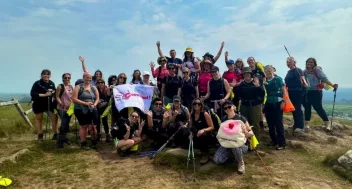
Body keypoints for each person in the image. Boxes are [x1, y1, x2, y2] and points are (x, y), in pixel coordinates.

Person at [213, 100, 253, 174]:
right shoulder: (223, 119)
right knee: (217, 160)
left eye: (229, 107)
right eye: (225, 108)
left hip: (240, 144)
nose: (228, 109)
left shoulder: (241, 118)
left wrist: (246, 132)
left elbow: (251, 133)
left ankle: (240, 163)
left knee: (235, 146)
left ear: (234, 107)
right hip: (227, 143)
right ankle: (232, 156)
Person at [303, 57, 338, 131]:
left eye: (311, 62)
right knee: (307, 107)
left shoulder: (317, 70)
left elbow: (324, 79)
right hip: (307, 91)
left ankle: (327, 124)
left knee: (318, 108)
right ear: (306, 63)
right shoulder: (304, 71)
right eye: (308, 62)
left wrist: (332, 85)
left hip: (316, 91)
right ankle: (307, 125)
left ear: (314, 63)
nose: (309, 63)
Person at [72, 72, 100, 150]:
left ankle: (94, 142)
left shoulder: (93, 88)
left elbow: (97, 98)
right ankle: (83, 143)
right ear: (83, 77)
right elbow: (74, 99)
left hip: (92, 108)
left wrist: (94, 104)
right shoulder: (78, 87)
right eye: (87, 77)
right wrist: (85, 103)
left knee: (93, 126)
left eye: (90, 78)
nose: (89, 79)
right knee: (83, 126)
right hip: (80, 109)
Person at [236, 67, 265, 138]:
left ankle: (255, 142)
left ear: (251, 74)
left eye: (248, 73)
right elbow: (237, 95)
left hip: (255, 106)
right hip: (244, 106)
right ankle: (247, 142)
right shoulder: (241, 84)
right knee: (245, 124)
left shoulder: (256, 82)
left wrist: (258, 86)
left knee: (255, 124)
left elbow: (262, 94)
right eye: (245, 74)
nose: (246, 75)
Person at [30, 69, 58, 141]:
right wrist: (45, 95)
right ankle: (40, 135)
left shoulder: (52, 83)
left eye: (48, 74)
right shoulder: (37, 83)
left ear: (50, 75)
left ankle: (56, 134)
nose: (46, 75)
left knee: (54, 118)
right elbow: (33, 94)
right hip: (38, 103)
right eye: (44, 74)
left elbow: (54, 92)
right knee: (39, 119)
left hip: (49, 104)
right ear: (41, 75)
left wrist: (53, 92)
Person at [263, 66, 286, 150]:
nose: (268, 72)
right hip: (267, 103)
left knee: (278, 123)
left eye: (269, 70)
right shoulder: (264, 81)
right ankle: (274, 140)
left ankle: (282, 143)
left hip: (277, 102)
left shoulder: (278, 79)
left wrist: (283, 101)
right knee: (270, 123)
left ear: (273, 70)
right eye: (266, 71)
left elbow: (284, 90)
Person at [285, 57, 308, 135]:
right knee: (293, 109)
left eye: (290, 62)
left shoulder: (298, 70)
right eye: (287, 62)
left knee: (298, 109)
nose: (288, 63)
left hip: (298, 92)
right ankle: (296, 125)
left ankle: (300, 127)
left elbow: (303, 79)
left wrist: (304, 83)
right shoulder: (289, 72)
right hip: (290, 92)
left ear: (294, 62)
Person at [190, 98, 215, 165]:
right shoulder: (192, 115)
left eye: (199, 104)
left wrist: (203, 130)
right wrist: (190, 134)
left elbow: (212, 127)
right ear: (193, 105)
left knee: (202, 135)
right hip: (197, 133)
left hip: (206, 133)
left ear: (201, 105)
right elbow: (191, 126)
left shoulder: (205, 114)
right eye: (195, 104)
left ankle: (205, 154)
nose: (197, 105)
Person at [56, 73, 73, 148]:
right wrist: (61, 103)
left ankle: (65, 138)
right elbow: (57, 97)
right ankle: (60, 141)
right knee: (64, 123)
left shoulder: (71, 87)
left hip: (70, 108)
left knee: (67, 123)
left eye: (68, 78)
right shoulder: (60, 86)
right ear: (62, 78)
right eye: (65, 78)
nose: (67, 79)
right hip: (62, 108)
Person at [96, 78, 111, 142]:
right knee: (97, 122)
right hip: (97, 107)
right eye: (99, 83)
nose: (100, 84)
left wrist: (104, 103)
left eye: (102, 82)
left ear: (104, 83)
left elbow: (109, 98)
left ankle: (107, 135)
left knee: (105, 122)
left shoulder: (107, 89)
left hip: (105, 107)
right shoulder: (95, 89)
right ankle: (98, 135)